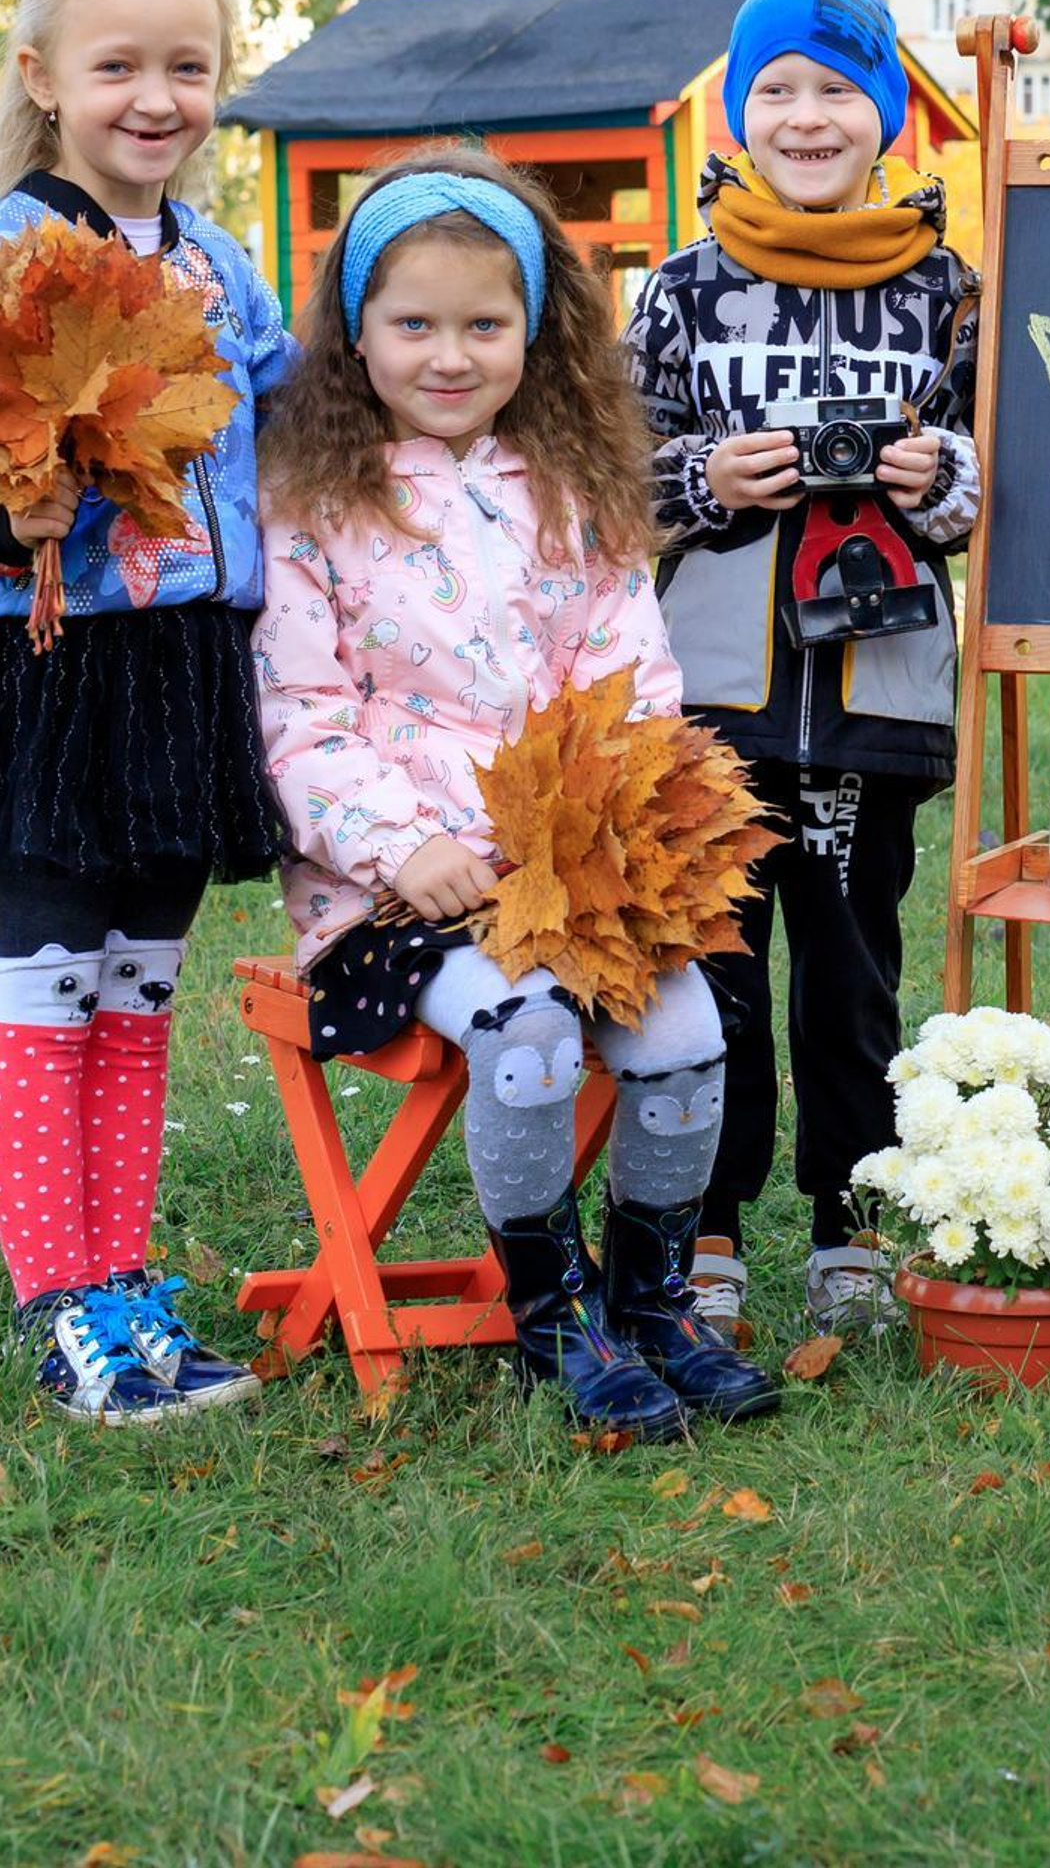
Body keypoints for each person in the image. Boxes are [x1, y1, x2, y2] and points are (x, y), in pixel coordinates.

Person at [256, 147, 780, 1437]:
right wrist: (404, 845)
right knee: (530, 1035)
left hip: (570, 881)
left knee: (688, 1037)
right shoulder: (312, 501)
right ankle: (552, 1310)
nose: (450, 355)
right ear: (357, 334)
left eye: (484, 324)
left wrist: (627, 832)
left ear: (534, 333)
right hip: (398, 899)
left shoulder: (569, 490)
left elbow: (633, 684)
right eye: (414, 324)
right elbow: (300, 720)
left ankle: (653, 1302)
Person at [624, 0, 980, 1342]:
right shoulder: (681, 291)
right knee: (711, 971)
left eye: (837, 88)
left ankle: (850, 1223)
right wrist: (712, 476)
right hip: (712, 692)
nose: (807, 115)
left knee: (852, 971)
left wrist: (934, 470)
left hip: (875, 688)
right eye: (777, 88)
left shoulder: (947, 292)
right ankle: (706, 1228)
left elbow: (994, 484)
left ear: (885, 110)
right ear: (738, 108)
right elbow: (611, 484)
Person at [0, 0, 290, 1423]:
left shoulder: (225, 267)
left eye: (186, 66)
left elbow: (296, 419)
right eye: (118, 66)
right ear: (43, 72)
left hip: (185, 665)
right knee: (46, 977)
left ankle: (126, 1283)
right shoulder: (12, 251)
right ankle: (62, 1310)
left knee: (136, 979)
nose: (155, 98)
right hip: (55, 664)